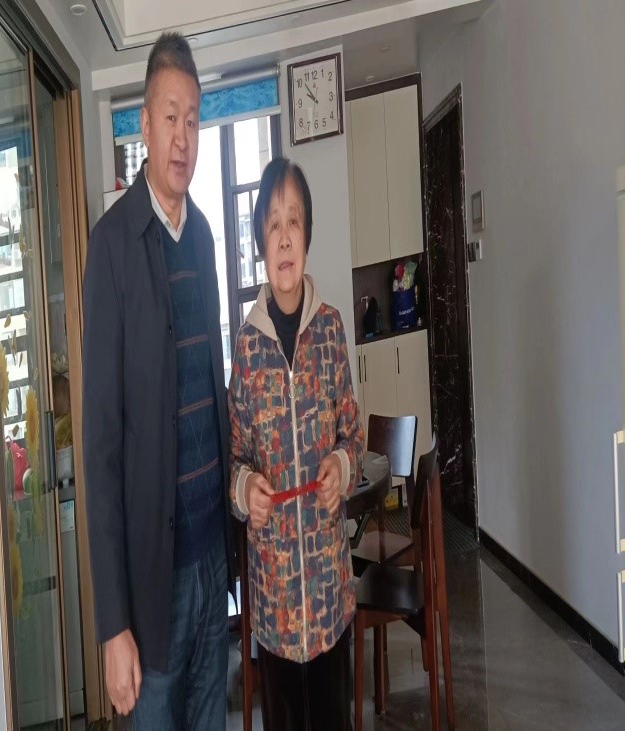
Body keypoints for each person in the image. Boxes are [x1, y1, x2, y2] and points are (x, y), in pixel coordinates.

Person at [82, 32, 233, 730]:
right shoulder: (112, 246)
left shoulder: (203, 238)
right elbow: (101, 447)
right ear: (144, 124)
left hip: (211, 564)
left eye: (193, 119)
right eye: (170, 116)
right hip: (150, 584)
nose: (182, 137)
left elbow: (211, 392)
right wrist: (113, 623)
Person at [228, 157, 364, 730]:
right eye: (273, 224)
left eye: (295, 221)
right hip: (275, 600)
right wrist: (245, 490)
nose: (285, 237)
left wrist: (341, 465)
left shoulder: (330, 329)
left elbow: (352, 433)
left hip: (330, 593)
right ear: (261, 241)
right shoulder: (245, 347)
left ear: (307, 235)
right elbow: (235, 457)